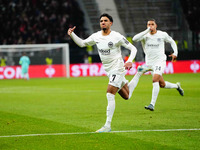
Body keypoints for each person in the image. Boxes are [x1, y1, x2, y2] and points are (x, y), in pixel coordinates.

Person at [68, 13, 137, 133]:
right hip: (109, 70)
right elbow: (82, 43)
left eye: (105, 20)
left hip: (118, 67)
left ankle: (107, 125)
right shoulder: (96, 36)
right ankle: (139, 73)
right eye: (101, 21)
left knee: (110, 93)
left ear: (111, 23)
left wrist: (130, 61)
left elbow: (133, 49)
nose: (103, 22)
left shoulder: (117, 36)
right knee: (126, 96)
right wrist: (72, 34)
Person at [131, 18, 184, 111]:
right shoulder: (144, 36)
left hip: (160, 61)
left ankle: (152, 104)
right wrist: (146, 31)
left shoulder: (162, 34)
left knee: (155, 79)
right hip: (149, 64)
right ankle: (177, 86)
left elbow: (172, 41)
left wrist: (175, 53)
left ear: (156, 25)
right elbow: (134, 39)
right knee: (162, 84)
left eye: (152, 24)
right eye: (148, 24)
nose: (150, 26)